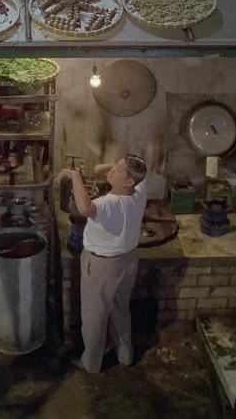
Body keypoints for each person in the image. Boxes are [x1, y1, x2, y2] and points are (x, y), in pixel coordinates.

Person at [55, 155, 148, 373]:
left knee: (94, 316)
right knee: (120, 308)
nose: (113, 170)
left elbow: (85, 208)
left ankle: (91, 363)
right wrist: (108, 167)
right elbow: (142, 170)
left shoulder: (109, 204)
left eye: (118, 169)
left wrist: (75, 176)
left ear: (129, 182)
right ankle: (125, 354)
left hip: (102, 267)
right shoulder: (139, 191)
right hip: (127, 262)